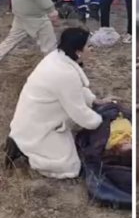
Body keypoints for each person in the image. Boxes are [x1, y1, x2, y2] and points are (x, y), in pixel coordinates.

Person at [6, 27, 103, 179]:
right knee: (69, 166)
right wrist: (101, 120)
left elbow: (75, 91)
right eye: (88, 46)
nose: (92, 49)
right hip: (38, 127)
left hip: (35, 117)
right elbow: (79, 113)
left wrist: (94, 101)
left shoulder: (57, 57)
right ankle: (27, 153)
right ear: (78, 51)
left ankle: (24, 141)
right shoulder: (65, 73)